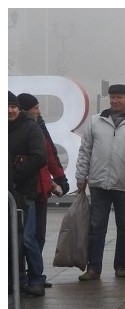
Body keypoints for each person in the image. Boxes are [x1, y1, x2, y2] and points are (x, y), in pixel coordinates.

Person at [76, 83, 125, 281]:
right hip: (99, 184)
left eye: (120, 97)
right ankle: (94, 268)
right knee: (96, 227)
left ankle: (121, 266)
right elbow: (85, 151)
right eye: (113, 97)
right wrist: (81, 176)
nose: (115, 101)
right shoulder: (95, 122)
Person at [17, 93, 70, 262]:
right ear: (25, 110)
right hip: (26, 189)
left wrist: (60, 178)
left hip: (42, 188)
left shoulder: (39, 126)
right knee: (26, 235)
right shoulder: (22, 130)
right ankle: (26, 275)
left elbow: (50, 154)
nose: (39, 112)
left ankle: (34, 271)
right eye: (36, 108)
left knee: (38, 234)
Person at [8, 91, 47, 297]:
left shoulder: (30, 127)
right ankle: (14, 280)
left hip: (24, 192)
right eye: (6, 106)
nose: (10, 110)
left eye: (13, 106)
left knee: (28, 239)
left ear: (18, 108)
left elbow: (40, 156)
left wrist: (14, 175)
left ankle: (36, 278)